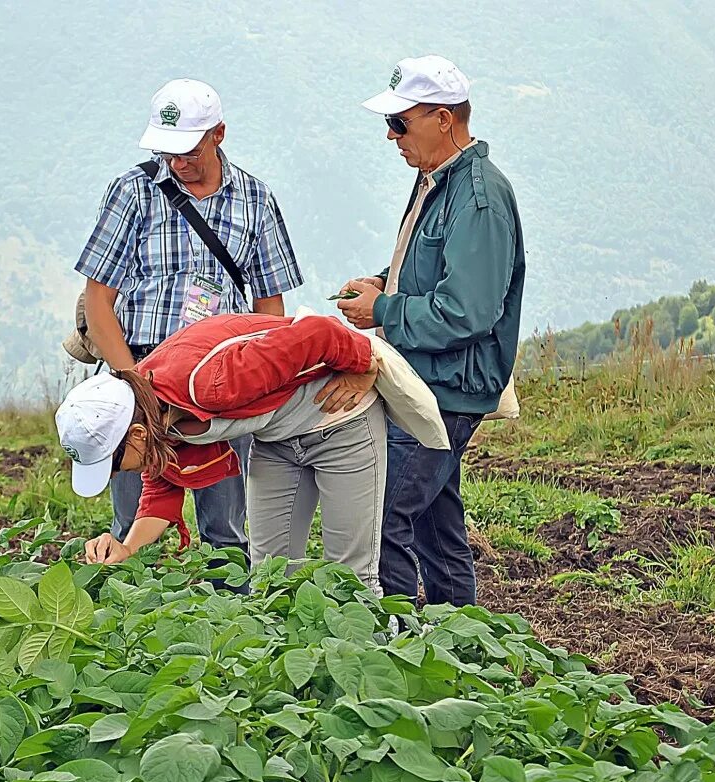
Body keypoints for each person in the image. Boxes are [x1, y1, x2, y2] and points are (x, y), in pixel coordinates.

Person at [73, 78, 304, 559]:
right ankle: (133, 622)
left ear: (218, 134)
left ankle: (234, 623)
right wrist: (133, 385)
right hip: (137, 376)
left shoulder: (256, 201)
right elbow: (99, 301)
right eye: (168, 151)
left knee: (226, 528)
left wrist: (260, 387)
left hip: (219, 388)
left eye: (189, 150)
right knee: (132, 522)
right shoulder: (133, 193)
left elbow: (269, 309)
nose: (177, 163)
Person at [333, 55, 526, 607]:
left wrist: (384, 310)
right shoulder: (438, 181)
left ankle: (398, 640)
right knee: (435, 523)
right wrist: (383, 279)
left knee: (386, 516)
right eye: (388, 124)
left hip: (445, 387)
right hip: (430, 379)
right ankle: (460, 637)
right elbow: (438, 271)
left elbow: (467, 311)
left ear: (444, 119)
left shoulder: (479, 198)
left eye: (400, 123)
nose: (391, 136)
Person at [55, 313, 388, 593]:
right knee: (270, 578)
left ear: (137, 435)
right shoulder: (149, 408)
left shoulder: (211, 382)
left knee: (352, 578)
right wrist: (127, 548)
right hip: (278, 440)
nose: (114, 475)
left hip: (342, 422)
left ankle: (373, 655)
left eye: (111, 463)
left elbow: (318, 332)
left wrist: (363, 365)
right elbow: (161, 487)